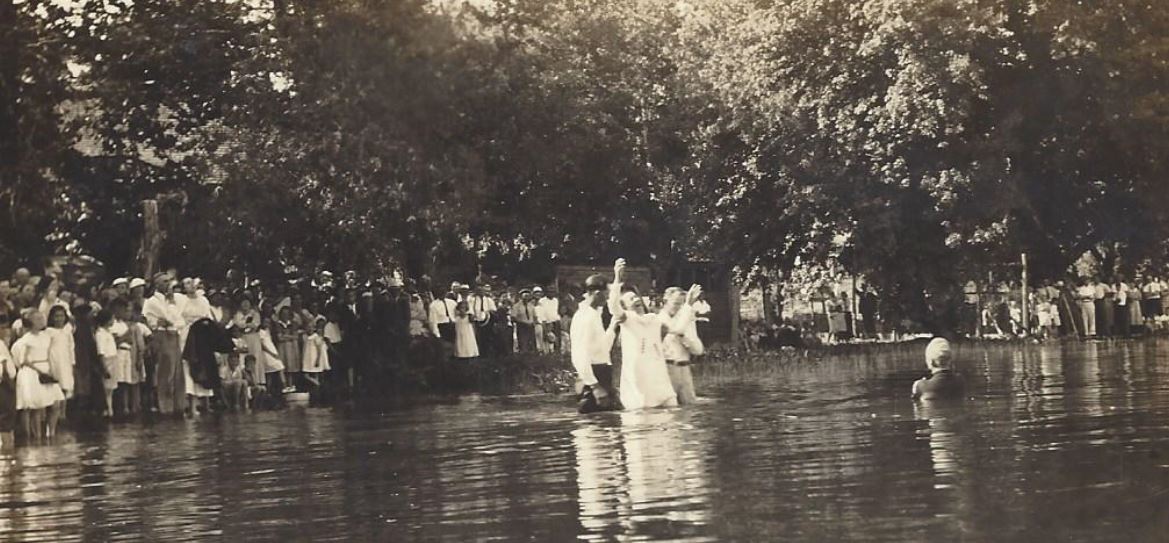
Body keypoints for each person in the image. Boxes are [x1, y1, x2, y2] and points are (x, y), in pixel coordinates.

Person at [608, 258, 696, 411]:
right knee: (642, 417)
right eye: (630, 299)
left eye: (636, 296)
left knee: (671, 415)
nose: (635, 299)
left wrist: (688, 305)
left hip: (659, 377)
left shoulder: (654, 320)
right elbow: (614, 308)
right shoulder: (627, 319)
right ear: (625, 306)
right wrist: (617, 278)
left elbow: (678, 329)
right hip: (639, 379)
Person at [570, 274, 620, 413]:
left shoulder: (594, 314)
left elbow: (603, 348)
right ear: (598, 294)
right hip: (592, 377)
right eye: (607, 294)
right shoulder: (584, 317)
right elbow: (579, 354)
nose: (608, 298)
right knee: (592, 425)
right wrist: (594, 386)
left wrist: (612, 326)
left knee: (609, 423)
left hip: (603, 373)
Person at [12, 310, 66, 438]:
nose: (41, 321)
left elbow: (50, 353)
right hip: (33, 371)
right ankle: (36, 435)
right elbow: (24, 360)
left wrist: (52, 369)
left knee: (56, 403)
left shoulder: (46, 336)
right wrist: (39, 371)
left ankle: (51, 431)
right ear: (30, 322)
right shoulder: (27, 339)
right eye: (37, 319)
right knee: (37, 405)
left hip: (46, 367)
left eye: (42, 318)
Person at [143, 274, 185, 414]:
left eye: (169, 281)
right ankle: (165, 406)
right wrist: (167, 320)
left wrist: (171, 317)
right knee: (165, 371)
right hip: (161, 336)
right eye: (164, 281)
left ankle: (177, 406)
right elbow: (165, 319)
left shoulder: (172, 301)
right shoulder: (152, 301)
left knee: (177, 371)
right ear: (157, 284)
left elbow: (179, 321)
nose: (168, 284)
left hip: (174, 335)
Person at [660, 286, 705, 405]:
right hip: (666, 369)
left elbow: (698, 350)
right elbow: (676, 328)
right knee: (668, 409)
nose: (679, 307)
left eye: (682, 304)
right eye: (676, 303)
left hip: (685, 369)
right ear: (665, 301)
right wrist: (688, 306)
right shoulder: (657, 320)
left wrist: (684, 338)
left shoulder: (687, 320)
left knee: (689, 409)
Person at [94, 309, 120, 419]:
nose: (113, 320)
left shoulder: (108, 332)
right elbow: (101, 352)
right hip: (107, 360)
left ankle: (110, 409)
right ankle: (107, 409)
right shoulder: (100, 334)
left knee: (111, 388)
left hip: (113, 359)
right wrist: (104, 368)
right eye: (112, 318)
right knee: (106, 388)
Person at [512, 289, 538, 353]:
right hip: (522, 327)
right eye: (524, 295)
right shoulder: (516, 306)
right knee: (523, 343)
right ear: (521, 296)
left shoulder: (531, 306)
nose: (526, 297)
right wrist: (523, 322)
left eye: (528, 295)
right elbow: (513, 317)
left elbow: (535, 316)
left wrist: (534, 323)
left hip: (531, 326)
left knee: (532, 343)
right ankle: (523, 358)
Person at [536, 287, 560, 353]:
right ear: (546, 292)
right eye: (549, 292)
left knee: (555, 340)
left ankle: (555, 354)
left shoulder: (556, 300)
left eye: (553, 292)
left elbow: (555, 311)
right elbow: (541, 314)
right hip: (546, 323)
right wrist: (545, 325)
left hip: (555, 322)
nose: (551, 293)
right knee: (546, 340)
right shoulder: (542, 301)